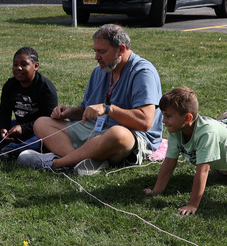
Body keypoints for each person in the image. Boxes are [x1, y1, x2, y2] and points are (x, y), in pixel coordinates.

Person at [22, 24, 162, 176]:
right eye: (95, 51)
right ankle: (82, 160)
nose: (96, 57)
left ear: (121, 50)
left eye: (102, 51)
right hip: (95, 130)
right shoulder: (100, 71)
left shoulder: (142, 72)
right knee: (41, 123)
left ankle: (57, 163)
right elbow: (85, 111)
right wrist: (69, 112)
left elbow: (145, 122)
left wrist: (108, 109)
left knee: (118, 134)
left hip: (131, 136)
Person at [144, 87, 227, 215]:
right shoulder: (175, 129)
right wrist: (156, 191)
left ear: (187, 118)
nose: (163, 120)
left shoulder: (206, 134)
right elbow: (169, 162)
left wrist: (193, 204)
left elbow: (203, 170)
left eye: (168, 116)